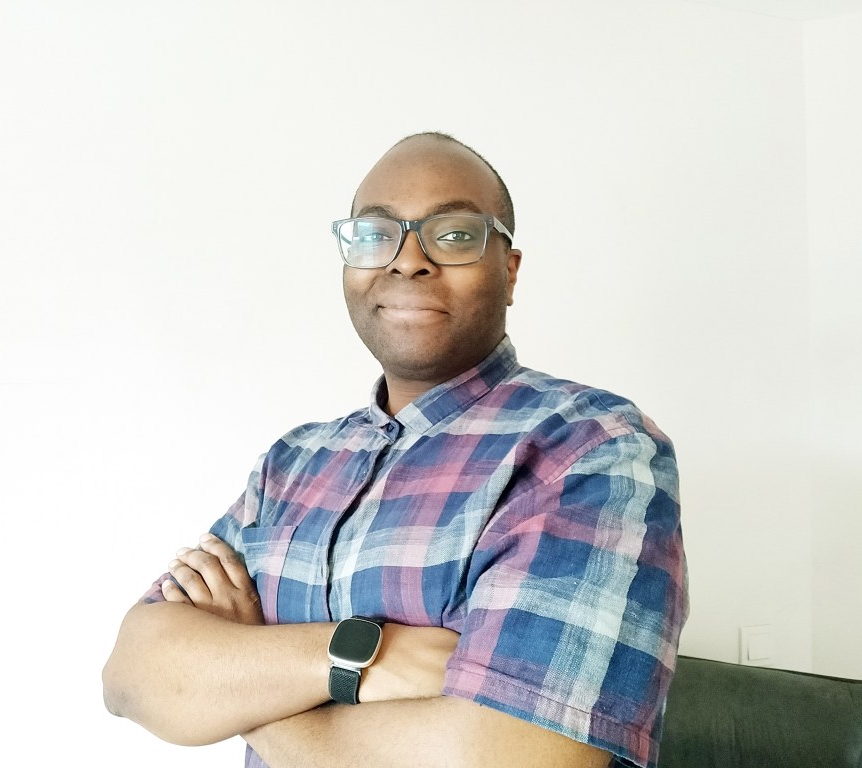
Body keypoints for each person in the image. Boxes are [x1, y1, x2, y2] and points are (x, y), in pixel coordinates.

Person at [102, 132, 688, 768]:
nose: (408, 261)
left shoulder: (589, 448)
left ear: (510, 271)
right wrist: (363, 655)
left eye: (455, 235)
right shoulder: (290, 465)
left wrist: (241, 681)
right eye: (376, 234)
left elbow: (515, 759)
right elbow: (132, 677)